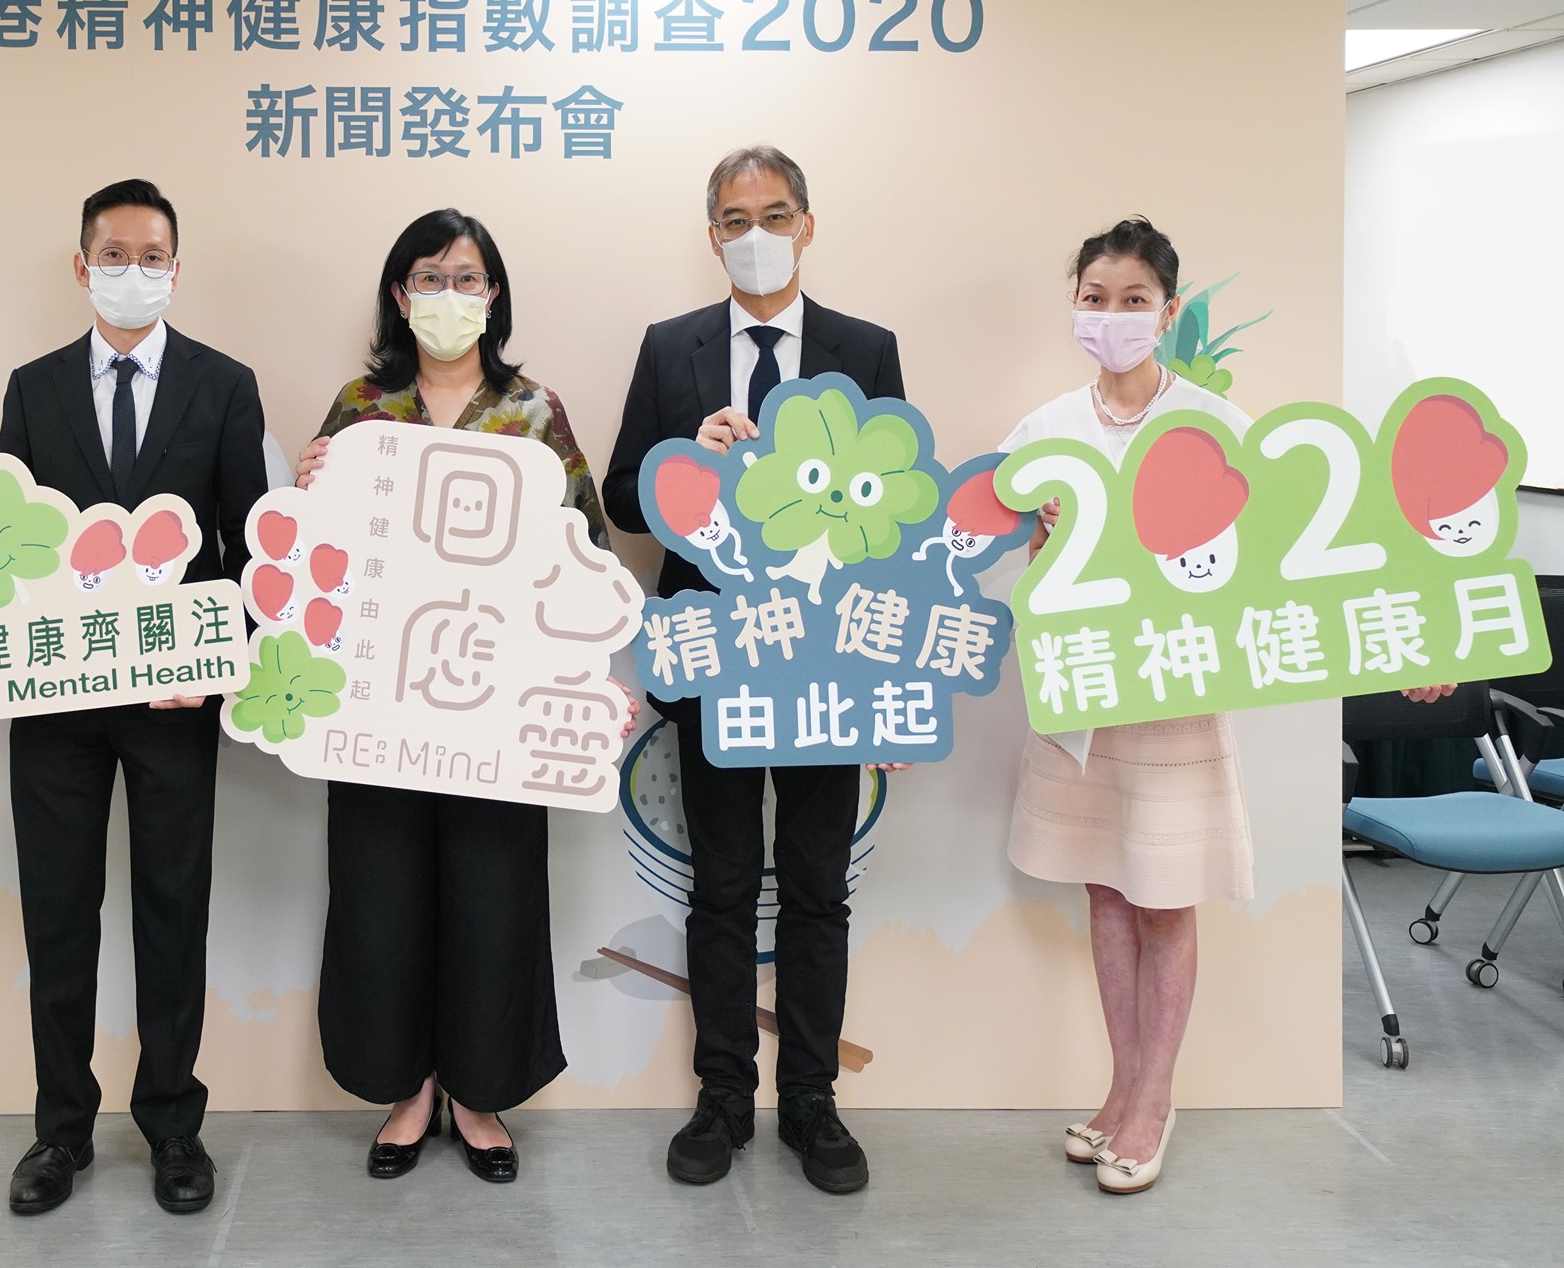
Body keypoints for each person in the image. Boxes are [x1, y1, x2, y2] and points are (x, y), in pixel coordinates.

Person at [1003, 217, 1456, 1195]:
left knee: (1163, 899)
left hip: (1172, 699)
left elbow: (1305, 549)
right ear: (1071, 304)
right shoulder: (1042, 431)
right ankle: (1120, 1087)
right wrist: (1036, 543)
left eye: (1132, 300)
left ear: (1166, 311)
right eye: (1093, 296)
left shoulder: (1214, 425)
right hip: (1080, 702)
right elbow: (1006, 565)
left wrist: (1415, 641)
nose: (1111, 315)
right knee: (1105, 889)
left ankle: (1152, 1101)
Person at [0, 178, 267, 1216]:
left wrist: (216, 658)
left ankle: (173, 1128)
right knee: (59, 918)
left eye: (152, 255)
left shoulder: (224, 384)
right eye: (115, 253)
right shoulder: (34, 386)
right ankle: (60, 1131)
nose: (133, 271)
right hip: (53, 705)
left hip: (173, 709)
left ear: (175, 269)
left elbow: (249, 550)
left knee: (169, 916)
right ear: (81, 264)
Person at [292, 208, 634, 1184]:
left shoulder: (532, 412)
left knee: (491, 897)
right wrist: (310, 485)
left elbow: (591, 556)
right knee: (381, 894)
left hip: (497, 710)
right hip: (373, 709)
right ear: (399, 297)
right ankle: (406, 1086)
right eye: (429, 278)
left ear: (494, 296)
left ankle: (476, 1089)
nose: (450, 295)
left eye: (469, 277)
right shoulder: (360, 407)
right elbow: (301, 564)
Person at [600, 146, 905, 1195]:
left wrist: (887, 688)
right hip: (715, 654)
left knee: (818, 888)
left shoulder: (866, 348)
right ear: (713, 233)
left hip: (826, 662)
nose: (756, 232)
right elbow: (620, 497)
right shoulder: (669, 347)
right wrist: (688, 453)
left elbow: (897, 517)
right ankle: (723, 1095)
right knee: (722, 885)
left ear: (807, 224)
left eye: (773, 213)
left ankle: (810, 1100)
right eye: (734, 218)